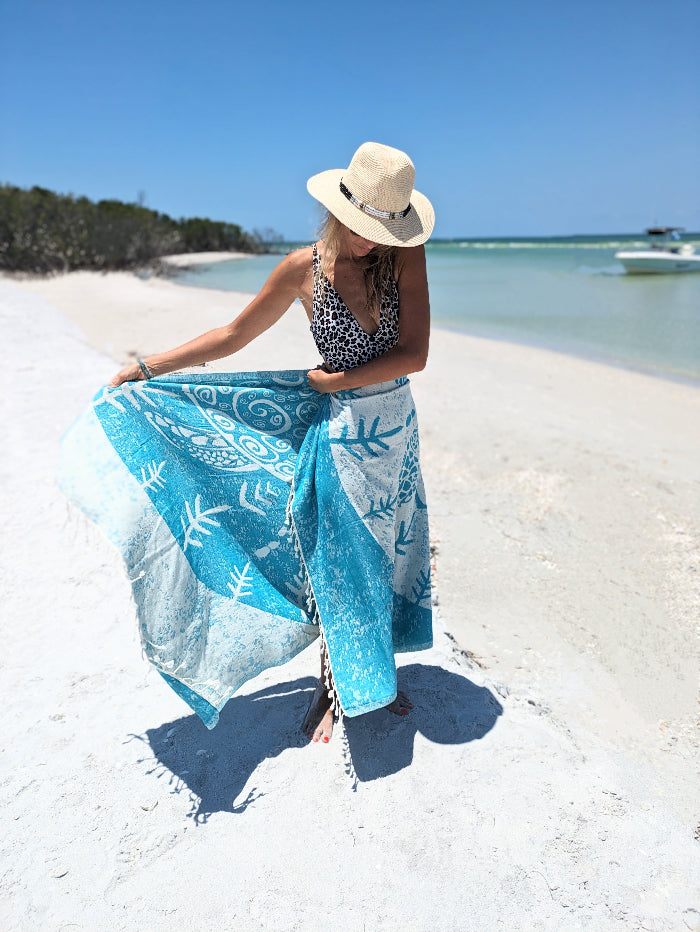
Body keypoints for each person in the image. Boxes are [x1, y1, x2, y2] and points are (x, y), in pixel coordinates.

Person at [68, 141, 434, 745]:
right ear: (339, 211)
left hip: (394, 430)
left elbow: (414, 355)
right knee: (336, 557)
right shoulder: (300, 270)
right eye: (367, 226)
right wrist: (146, 367)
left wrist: (331, 377)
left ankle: (372, 677)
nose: (375, 240)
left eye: (387, 226)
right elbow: (234, 335)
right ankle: (334, 689)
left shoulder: (405, 258)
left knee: (386, 555)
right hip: (340, 431)